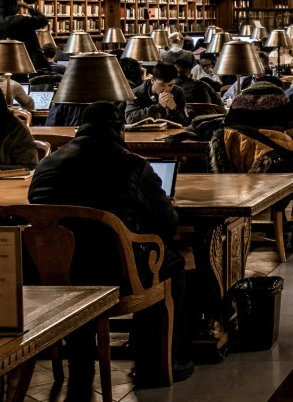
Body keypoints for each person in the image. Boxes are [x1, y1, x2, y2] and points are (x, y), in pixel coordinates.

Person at [27, 102, 192, 398]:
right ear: (120, 129)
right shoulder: (133, 164)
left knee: (83, 261)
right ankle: (158, 360)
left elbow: (37, 212)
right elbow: (166, 226)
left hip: (55, 273)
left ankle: (81, 365)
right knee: (173, 264)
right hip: (118, 274)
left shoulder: (47, 164)